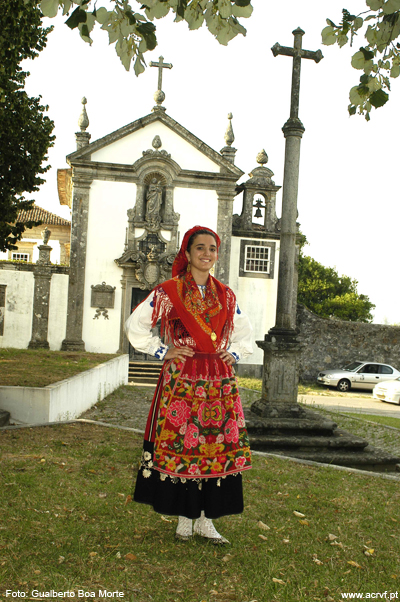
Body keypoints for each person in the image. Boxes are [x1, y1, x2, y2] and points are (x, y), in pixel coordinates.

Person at [125, 225, 253, 544]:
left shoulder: (226, 295)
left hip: (218, 380)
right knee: (183, 445)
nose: (206, 254)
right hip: (182, 377)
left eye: (212, 249)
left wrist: (235, 352)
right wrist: (162, 350)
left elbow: (244, 331)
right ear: (187, 252)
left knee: (214, 446)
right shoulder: (168, 291)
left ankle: (207, 521)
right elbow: (135, 325)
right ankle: (185, 518)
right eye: (200, 248)